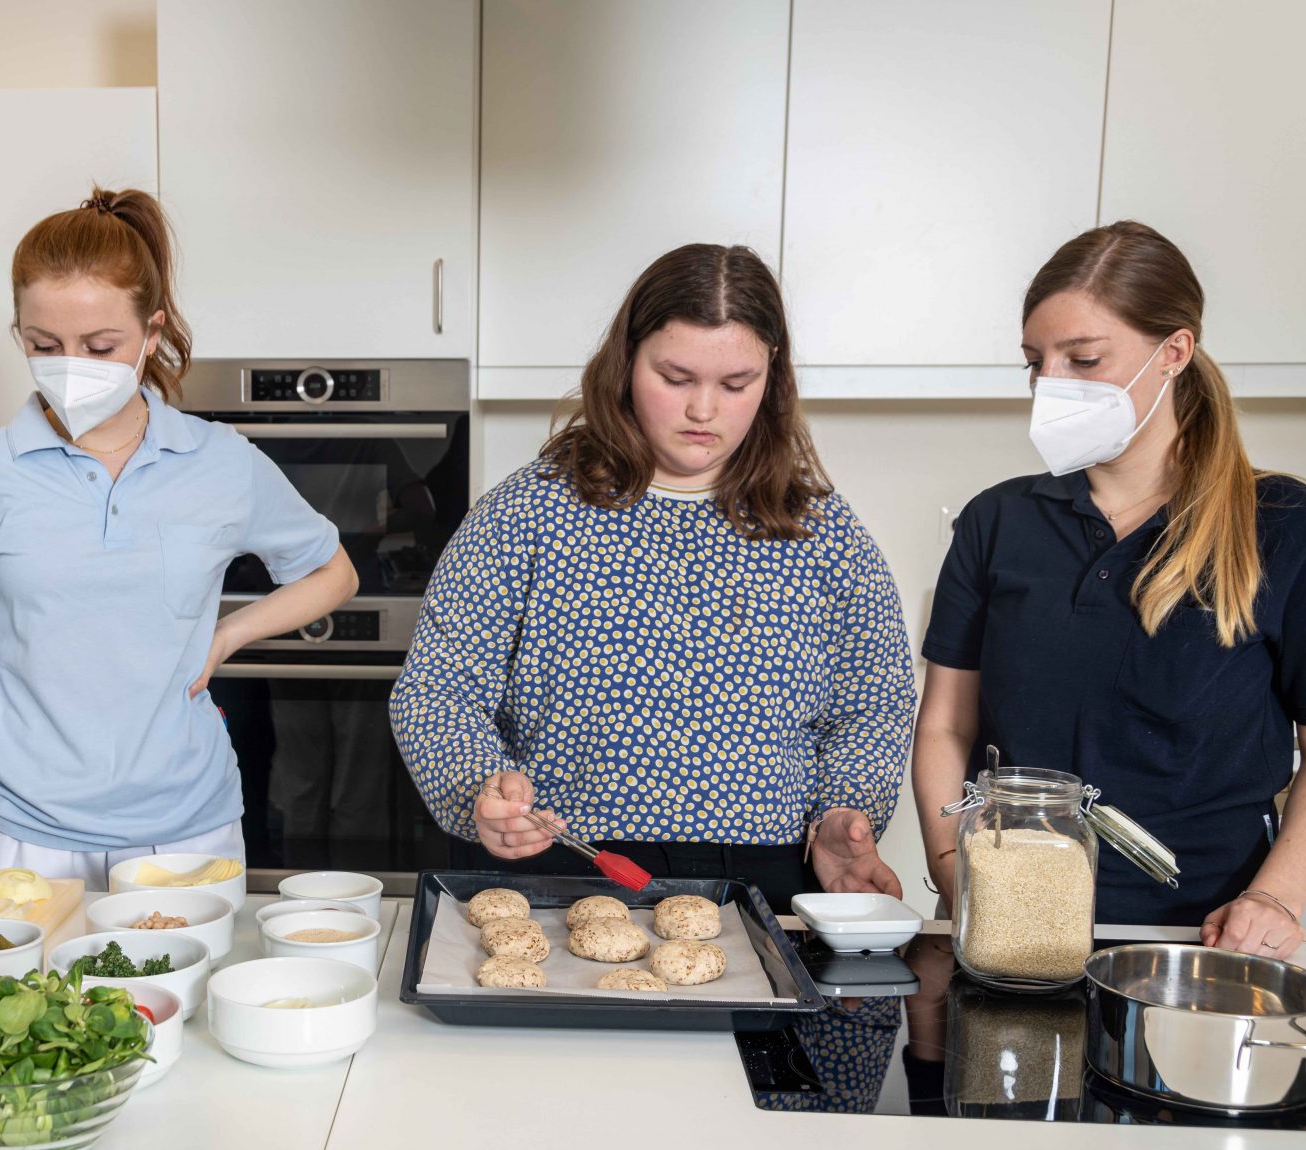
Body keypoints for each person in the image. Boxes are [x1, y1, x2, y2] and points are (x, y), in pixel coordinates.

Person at [913, 222, 1306, 957]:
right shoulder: (996, 522)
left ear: (1174, 351)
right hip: (1005, 928)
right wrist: (956, 875)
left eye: (1084, 359)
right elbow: (947, 726)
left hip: (1198, 940)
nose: (1051, 384)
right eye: (1036, 363)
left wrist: (1274, 896)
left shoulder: (1287, 526)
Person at [390, 244, 915, 911]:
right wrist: (480, 788)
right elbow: (439, 690)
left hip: (764, 877)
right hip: (560, 868)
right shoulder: (527, 513)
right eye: (675, 377)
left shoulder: (822, 530)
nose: (703, 410)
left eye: (736, 384)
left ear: (773, 376)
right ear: (626, 362)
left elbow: (874, 702)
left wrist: (845, 810)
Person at [0, 188, 357, 887]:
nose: (70, 365)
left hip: (189, 834)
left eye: (100, 346)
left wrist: (227, 635)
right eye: (43, 345)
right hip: (20, 839)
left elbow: (334, 573)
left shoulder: (220, 461)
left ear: (151, 330)